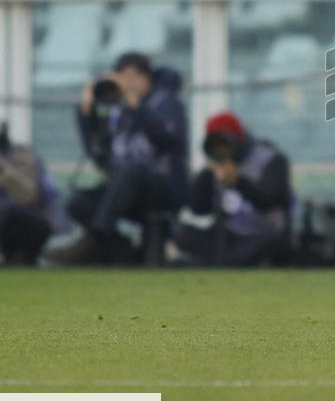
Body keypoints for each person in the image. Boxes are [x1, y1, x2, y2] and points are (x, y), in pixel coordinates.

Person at [60, 52, 188, 263]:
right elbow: (98, 156)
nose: (127, 83)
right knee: (79, 202)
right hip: (124, 188)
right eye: (122, 76)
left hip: (162, 187)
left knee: (130, 171)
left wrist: (137, 106)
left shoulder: (165, 100)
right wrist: (86, 114)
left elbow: (170, 139)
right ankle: (122, 252)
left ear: (147, 77)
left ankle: (94, 238)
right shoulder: (117, 111)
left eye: (133, 76)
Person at [172, 112, 292, 266]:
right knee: (183, 234)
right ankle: (221, 260)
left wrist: (237, 181)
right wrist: (206, 176)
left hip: (262, 232)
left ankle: (216, 262)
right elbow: (199, 209)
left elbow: (269, 201)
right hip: (230, 234)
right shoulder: (217, 166)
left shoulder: (269, 158)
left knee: (259, 245)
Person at [0, 123, 65, 264]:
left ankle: (23, 256)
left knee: (8, 209)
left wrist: (4, 169)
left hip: (28, 222)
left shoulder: (21, 154)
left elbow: (27, 194)